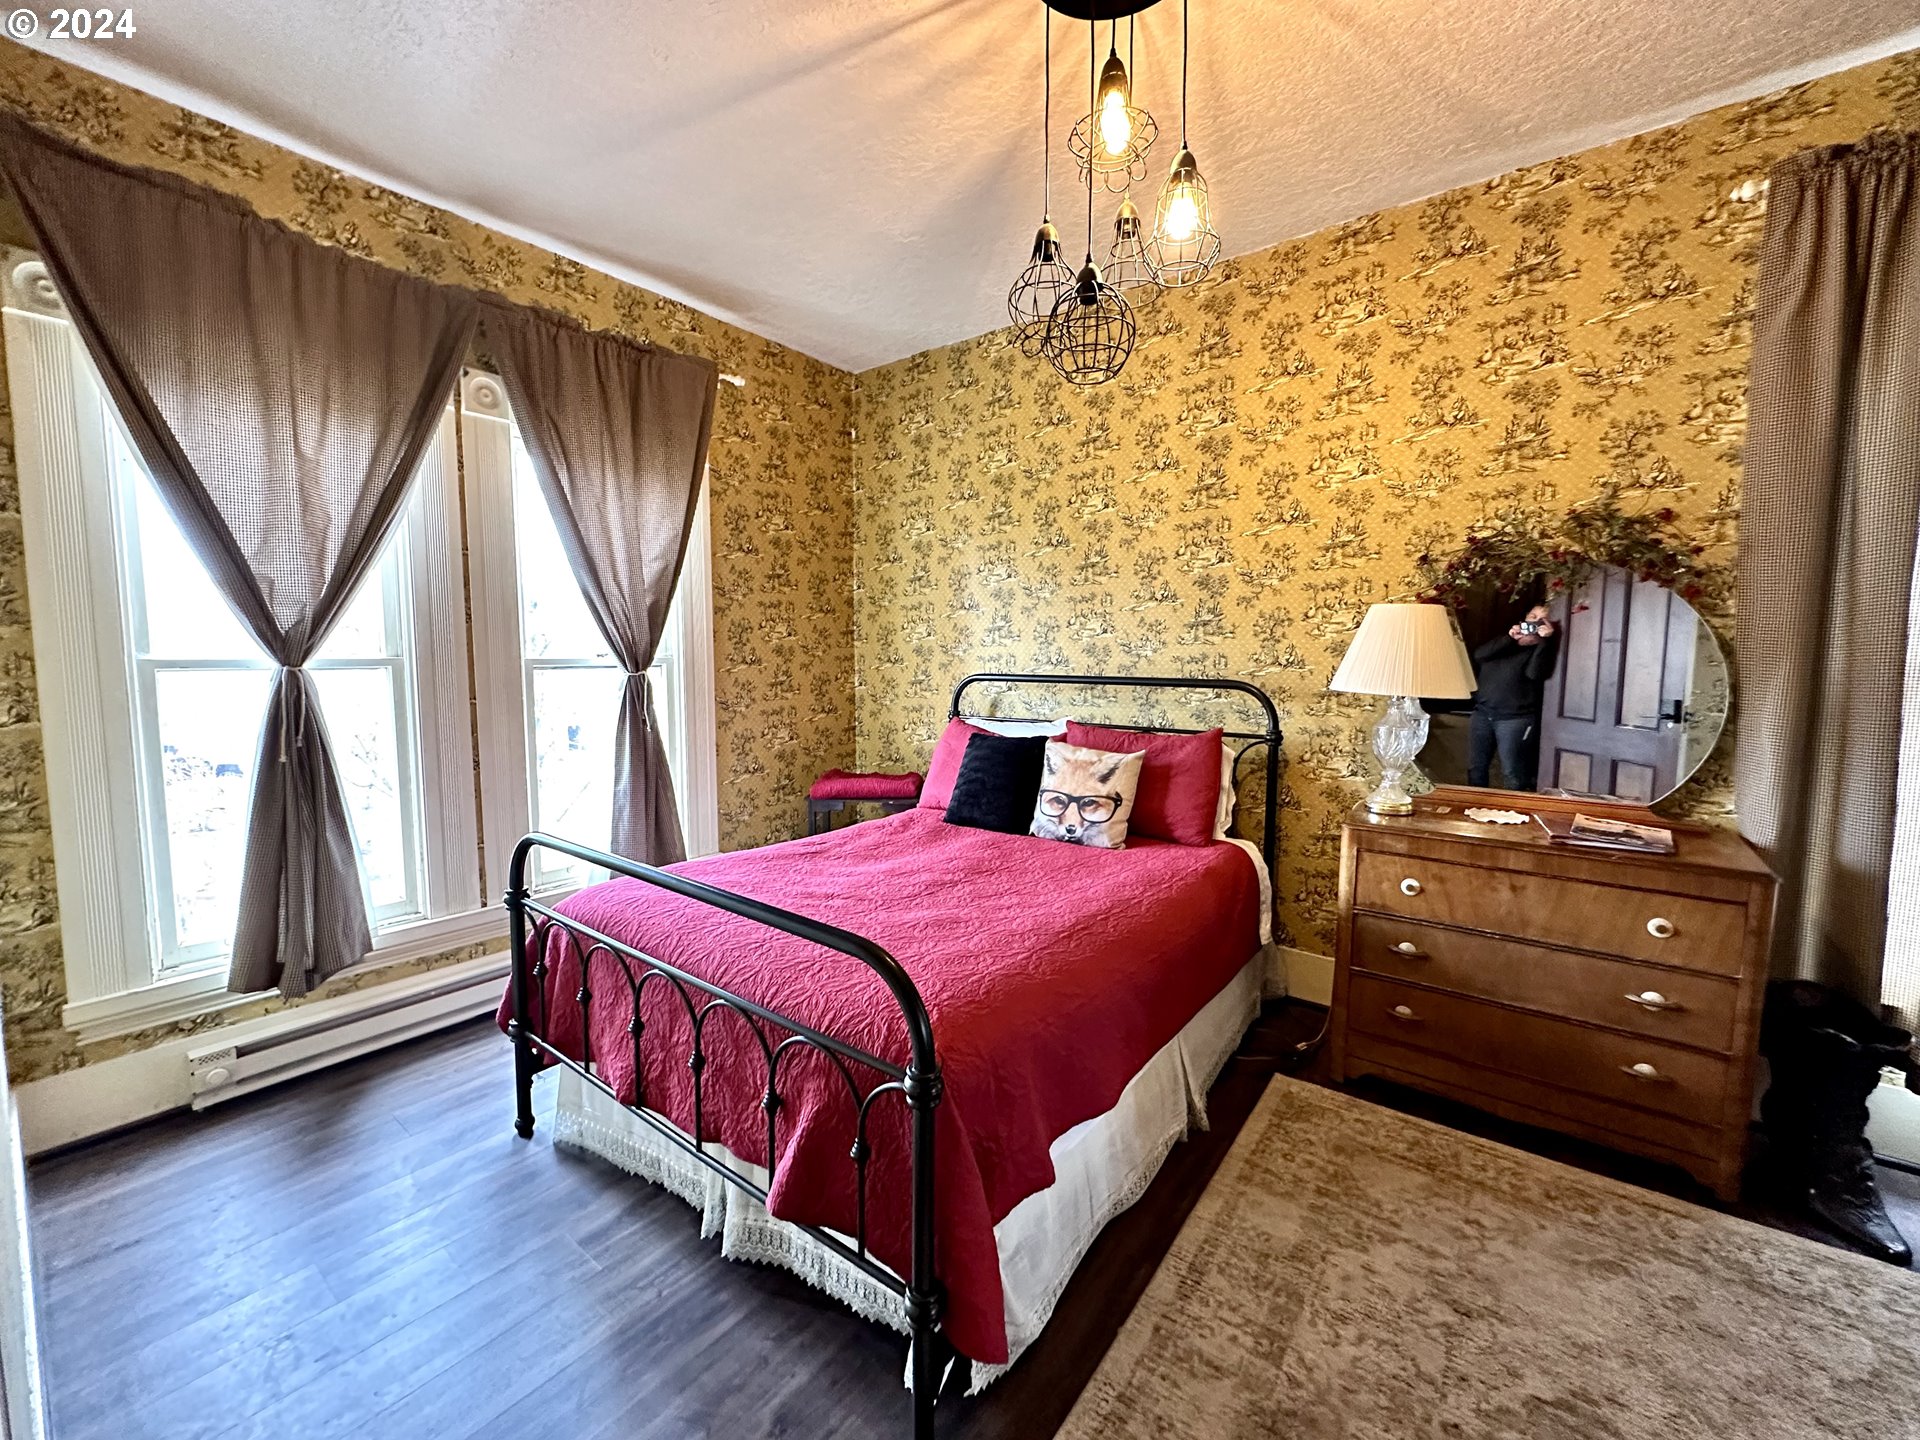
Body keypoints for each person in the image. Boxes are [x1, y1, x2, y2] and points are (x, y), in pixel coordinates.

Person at [1467, 603, 1561, 790]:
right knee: (1475, 768)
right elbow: (1479, 655)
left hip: (1515, 719)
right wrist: (1510, 638)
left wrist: (1544, 642)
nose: (1535, 622)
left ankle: (1517, 813)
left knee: (1513, 773)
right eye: (1533, 616)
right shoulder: (1504, 643)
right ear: (1525, 616)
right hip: (1483, 714)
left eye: (1542, 619)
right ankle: (1472, 809)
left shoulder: (1542, 649)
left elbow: (1535, 674)